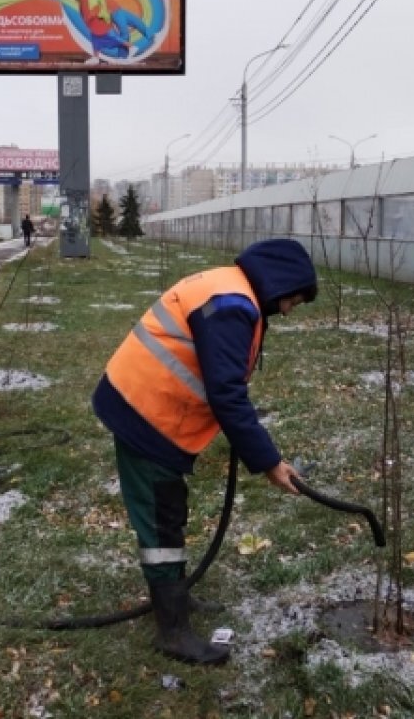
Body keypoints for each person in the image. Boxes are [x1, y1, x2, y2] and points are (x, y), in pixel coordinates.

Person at [91, 238, 318, 665]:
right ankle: (172, 632)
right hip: (144, 415)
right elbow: (227, 395)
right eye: (293, 301)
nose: (288, 311)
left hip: (145, 405)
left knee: (169, 511)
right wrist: (269, 463)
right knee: (161, 520)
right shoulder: (232, 306)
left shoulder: (229, 287)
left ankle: (174, 597)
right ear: (281, 283)